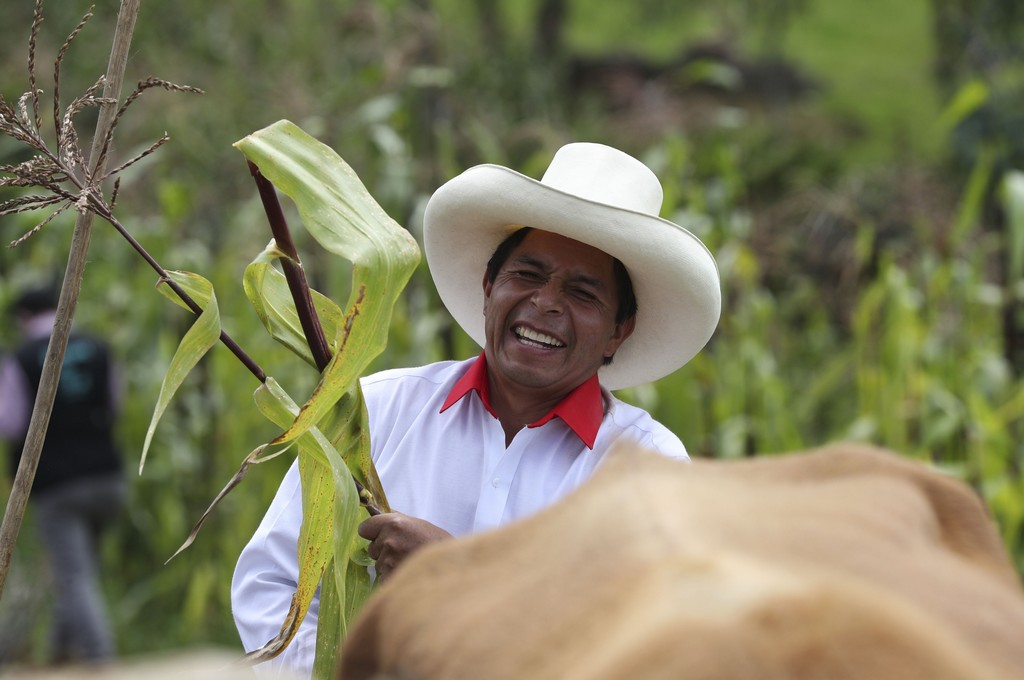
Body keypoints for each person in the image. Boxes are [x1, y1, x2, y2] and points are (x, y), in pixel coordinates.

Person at [231, 142, 721, 676]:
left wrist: (467, 578)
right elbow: (272, 582)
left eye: (583, 292)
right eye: (527, 275)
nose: (547, 302)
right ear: (489, 288)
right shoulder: (377, 411)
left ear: (617, 333)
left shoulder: (648, 468)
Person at [0, 285, 126, 665]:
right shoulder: (98, 347)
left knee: (74, 577)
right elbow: (116, 404)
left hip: (57, 485)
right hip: (107, 478)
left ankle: (101, 661)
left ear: (23, 318)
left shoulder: (20, 358)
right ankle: (61, 655)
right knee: (78, 572)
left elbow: (11, 423)